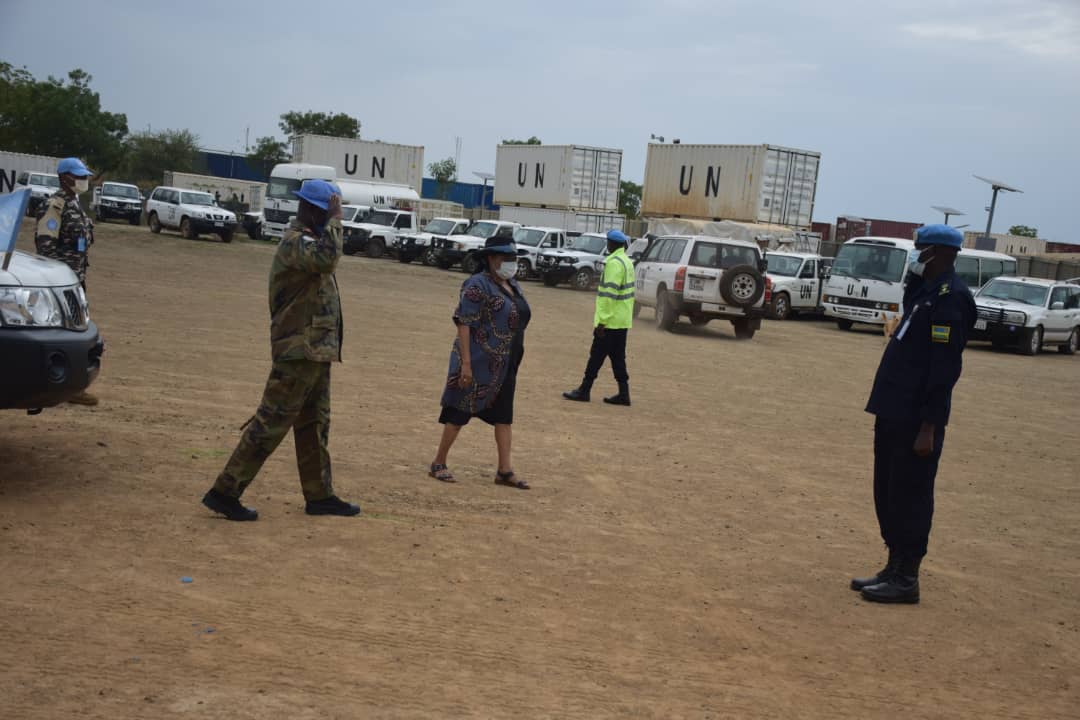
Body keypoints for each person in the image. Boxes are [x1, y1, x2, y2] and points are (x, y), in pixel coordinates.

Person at [202, 179, 360, 521]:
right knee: (271, 421)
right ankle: (225, 491)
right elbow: (328, 259)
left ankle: (320, 495)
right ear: (315, 211)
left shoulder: (310, 240)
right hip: (298, 350)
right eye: (329, 209)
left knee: (314, 425)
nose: (334, 216)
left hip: (315, 351)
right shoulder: (296, 243)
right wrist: (336, 219)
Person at [852, 224, 976, 604]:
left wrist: (929, 427)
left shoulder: (950, 299)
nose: (916, 256)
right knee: (888, 490)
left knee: (911, 494)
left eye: (921, 251)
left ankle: (907, 578)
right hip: (892, 410)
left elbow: (943, 369)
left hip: (916, 419)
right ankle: (893, 564)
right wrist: (911, 281)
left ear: (940, 253)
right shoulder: (925, 293)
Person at [429, 229, 532, 489]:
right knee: (459, 410)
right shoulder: (477, 284)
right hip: (477, 359)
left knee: (504, 416)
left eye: (513, 256)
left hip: (505, 362)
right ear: (490, 258)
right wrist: (465, 363)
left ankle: (504, 470)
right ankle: (439, 462)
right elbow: (463, 322)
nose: (511, 261)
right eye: (505, 256)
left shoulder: (512, 284)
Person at [36, 157, 98, 406]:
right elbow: (45, 246)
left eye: (84, 175)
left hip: (76, 280)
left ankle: (73, 386)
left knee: (78, 333)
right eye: (78, 175)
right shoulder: (56, 205)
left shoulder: (76, 204)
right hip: (60, 283)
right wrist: (53, 280)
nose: (83, 180)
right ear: (64, 177)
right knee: (63, 334)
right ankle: (54, 385)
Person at [562, 229, 636, 406]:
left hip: (610, 321)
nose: (607, 245)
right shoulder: (627, 262)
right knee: (618, 358)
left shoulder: (613, 264)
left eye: (608, 243)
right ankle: (624, 393)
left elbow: (609, 295)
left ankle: (584, 390)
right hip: (622, 321)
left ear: (612, 244)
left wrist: (602, 321)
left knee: (595, 356)